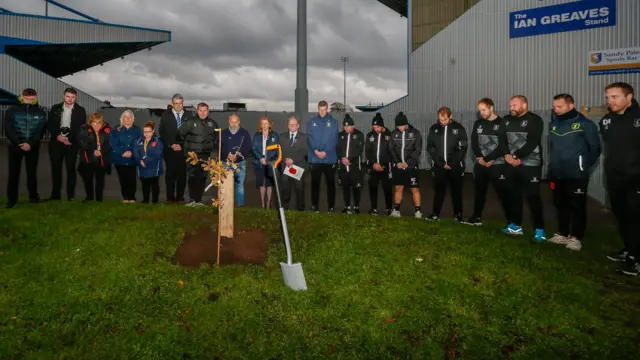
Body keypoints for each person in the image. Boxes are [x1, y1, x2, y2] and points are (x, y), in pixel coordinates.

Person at [547, 94, 601, 251]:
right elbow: (553, 149)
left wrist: (582, 166)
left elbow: (595, 149)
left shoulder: (586, 124)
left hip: (577, 175)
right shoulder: (554, 124)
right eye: (554, 107)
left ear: (571, 106)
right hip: (557, 173)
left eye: (560, 107)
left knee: (577, 206)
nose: (556, 110)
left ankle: (576, 237)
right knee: (560, 204)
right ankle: (563, 233)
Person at [598, 82, 640, 276]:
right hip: (615, 179)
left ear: (629, 97)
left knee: (635, 218)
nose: (610, 101)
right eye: (608, 97)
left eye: (614, 97)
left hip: (635, 180)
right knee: (622, 216)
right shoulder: (607, 121)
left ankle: (637, 259)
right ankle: (630, 249)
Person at [502, 95, 546, 242]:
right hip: (511, 164)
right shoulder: (506, 120)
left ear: (524, 105)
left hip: (531, 165)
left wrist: (516, 157)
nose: (511, 108)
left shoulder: (535, 120)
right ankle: (515, 226)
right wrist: (507, 156)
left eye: (514, 105)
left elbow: (532, 142)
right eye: (510, 105)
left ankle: (539, 229)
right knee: (514, 196)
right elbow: (501, 140)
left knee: (533, 197)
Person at [464, 98, 511, 226]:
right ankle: (476, 218)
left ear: (491, 108)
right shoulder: (478, 123)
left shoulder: (502, 123)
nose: (482, 113)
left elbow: (503, 145)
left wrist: (489, 159)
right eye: (480, 110)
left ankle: (511, 221)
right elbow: (474, 142)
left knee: (503, 194)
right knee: (479, 193)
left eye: (484, 110)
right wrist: (480, 158)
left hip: (497, 165)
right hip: (481, 165)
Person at [4, 88, 48, 209]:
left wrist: (31, 143)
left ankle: (33, 197)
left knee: (32, 173)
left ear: (35, 98)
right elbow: (8, 128)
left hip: (32, 147)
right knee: (13, 173)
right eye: (27, 99)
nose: (29, 101)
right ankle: (12, 200)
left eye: (32, 99)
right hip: (15, 147)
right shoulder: (12, 110)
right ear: (22, 97)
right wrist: (19, 142)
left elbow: (40, 130)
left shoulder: (40, 112)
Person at [425, 107, 468, 222]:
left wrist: (452, 162)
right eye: (440, 120)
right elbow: (430, 146)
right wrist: (440, 163)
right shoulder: (434, 128)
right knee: (439, 191)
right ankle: (435, 214)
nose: (442, 122)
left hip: (455, 166)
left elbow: (463, 147)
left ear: (450, 117)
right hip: (439, 166)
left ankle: (458, 215)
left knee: (456, 191)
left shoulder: (459, 128)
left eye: (444, 119)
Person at [46, 87, 86, 202]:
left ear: (76, 97)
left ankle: (70, 196)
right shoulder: (55, 108)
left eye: (73, 97)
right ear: (64, 96)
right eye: (68, 96)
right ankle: (55, 195)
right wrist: (58, 136)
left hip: (71, 144)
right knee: (56, 169)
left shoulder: (80, 110)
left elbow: (80, 127)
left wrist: (68, 138)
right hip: (56, 143)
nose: (70, 99)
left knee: (70, 169)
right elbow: (50, 124)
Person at [177, 102, 219, 206]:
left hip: (205, 156)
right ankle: (192, 200)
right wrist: (185, 147)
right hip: (192, 156)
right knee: (192, 177)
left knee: (202, 178)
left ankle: (199, 200)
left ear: (208, 111)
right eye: (201, 110)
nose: (203, 113)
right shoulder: (190, 122)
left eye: (205, 110)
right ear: (197, 111)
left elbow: (216, 138)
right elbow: (180, 134)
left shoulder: (213, 123)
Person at [388, 112, 423, 218]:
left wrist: (408, 163)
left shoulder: (415, 133)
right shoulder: (394, 133)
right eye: (398, 126)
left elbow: (418, 149)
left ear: (406, 123)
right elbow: (391, 149)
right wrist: (397, 162)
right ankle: (396, 210)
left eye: (401, 125)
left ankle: (417, 212)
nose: (400, 128)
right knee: (398, 188)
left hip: (411, 166)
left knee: (414, 188)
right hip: (398, 166)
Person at [159, 94, 192, 204]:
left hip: (184, 150)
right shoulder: (165, 115)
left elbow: (191, 133)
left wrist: (182, 146)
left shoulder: (189, 115)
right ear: (172, 104)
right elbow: (162, 132)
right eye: (176, 103)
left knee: (182, 175)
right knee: (170, 174)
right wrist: (171, 144)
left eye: (180, 103)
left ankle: (180, 198)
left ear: (183, 103)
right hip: (170, 150)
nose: (178, 106)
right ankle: (169, 198)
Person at [307, 100, 339, 213]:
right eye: (320, 110)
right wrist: (315, 151)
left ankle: (331, 206)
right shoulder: (311, 122)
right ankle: (314, 205)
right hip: (315, 158)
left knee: (330, 184)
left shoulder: (334, 122)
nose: (322, 112)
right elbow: (309, 138)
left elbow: (334, 139)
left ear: (327, 109)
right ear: (318, 109)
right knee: (315, 183)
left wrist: (325, 152)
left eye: (324, 110)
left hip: (329, 158)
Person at [77, 112, 112, 203]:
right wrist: (93, 150)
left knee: (100, 179)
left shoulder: (107, 129)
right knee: (88, 179)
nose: (97, 125)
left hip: (102, 158)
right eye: (94, 123)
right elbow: (82, 142)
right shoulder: (84, 128)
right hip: (88, 159)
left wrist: (101, 151)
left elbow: (110, 144)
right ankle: (89, 197)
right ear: (90, 122)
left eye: (99, 123)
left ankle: (99, 199)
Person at [110, 110, 142, 203]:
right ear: (122, 118)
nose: (128, 119)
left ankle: (132, 197)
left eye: (130, 117)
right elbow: (113, 143)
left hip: (133, 158)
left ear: (133, 119)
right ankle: (126, 197)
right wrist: (123, 152)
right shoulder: (115, 130)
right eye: (126, 117)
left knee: (132, 178)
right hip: (120, 158)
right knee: (123, 178)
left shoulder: (137, 130)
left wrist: (132, 152)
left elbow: (140, 143)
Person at [365, 112, 393, 215]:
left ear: (382, 125)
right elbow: (367, 151)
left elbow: (392, 152)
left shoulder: (390, 135)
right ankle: (374, 209)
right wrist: (374, 164)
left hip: (386, 167)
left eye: (377, 127)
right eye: (373, 127)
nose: (375, 129)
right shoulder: (369, 135)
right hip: (374, 167)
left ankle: (389, 209)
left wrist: (383, 165)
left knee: (387, 188)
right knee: (373, 187)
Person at [221, 113, 252, 207]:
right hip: (226, 163)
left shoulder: (245, 133)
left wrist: (236, 157)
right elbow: (219, 147)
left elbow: (248, 148)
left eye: (236, 122)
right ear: (228, 122)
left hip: (240, 163)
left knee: (239, 184)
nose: (234, 124)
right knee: (226, 184)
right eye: (232, 122)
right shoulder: (223, 133)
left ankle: (240, 205)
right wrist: (227, 155)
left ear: (239, 122)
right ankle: (226, 204)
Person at [337, 114, 365, 214]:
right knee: (345, 188)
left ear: (353, 126)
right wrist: (342, 158)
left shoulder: (359, 135)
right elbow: (337, 148)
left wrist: (349, 159)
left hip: (355, 167)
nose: (346, 128)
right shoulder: (340, 135)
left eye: (348, 126)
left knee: (356, 188)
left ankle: (357, 207)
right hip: (344, 168)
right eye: (345, 126)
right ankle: (347, 206)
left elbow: (359, 150)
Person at [279, 115, 307, 211]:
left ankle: (300, 210)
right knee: (285, 191)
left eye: (294, 125)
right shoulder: (282, 137)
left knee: (299, 191)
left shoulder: (303, 138)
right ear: (287, 125)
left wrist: (293, 160)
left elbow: (305, 152)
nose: (292, 127)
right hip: (285, 168)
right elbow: (278, 152)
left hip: (297, 168)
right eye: (290, 125)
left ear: (298, 125)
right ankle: (284, 211)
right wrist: (285, 160)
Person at [252, 116, 280, 209]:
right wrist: (260, 158)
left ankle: (268, 203)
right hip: (259, 162)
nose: (264, 125)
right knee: (262, 184)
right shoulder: (257, 135)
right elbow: (254, 148)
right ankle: (262, 203)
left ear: (269, 124)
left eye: (266, 123)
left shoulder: (274, 135)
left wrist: (267, 159)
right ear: (260, 125)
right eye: (262, 123)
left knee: (269, 184)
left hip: (270, 162)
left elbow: (276, 149)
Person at [134, 121, 164, 204]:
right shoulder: (139, 140)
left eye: (148, 132)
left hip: (154, 166)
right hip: (142, 166)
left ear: (153, 131)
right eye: (145, 132)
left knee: (154, 184)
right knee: (145, 184)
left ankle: (155, 201)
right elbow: (135, 152)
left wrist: (146, 161)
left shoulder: (158, 141)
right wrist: (140, 160)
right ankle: (145, 200)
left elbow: (158, 154)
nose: (146, 134)